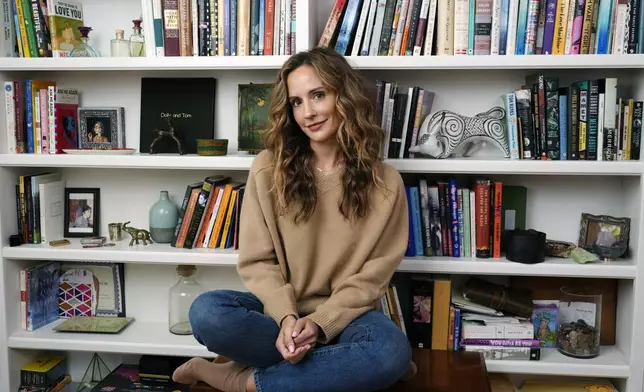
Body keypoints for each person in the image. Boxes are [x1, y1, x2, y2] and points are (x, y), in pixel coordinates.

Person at [172, 46, 413, 392]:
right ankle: (339, 366)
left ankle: (240, 380)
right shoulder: (268, 169)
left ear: (344, 97)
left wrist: (320, 323)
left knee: (389, 352)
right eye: (297, 102)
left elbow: (373, 277)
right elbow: (258, 261)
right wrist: (288, 318)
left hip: (347, 317)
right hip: (277, 315)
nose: (308, 113)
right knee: (206, 313)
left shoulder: (385, 182)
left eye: (318, 95)